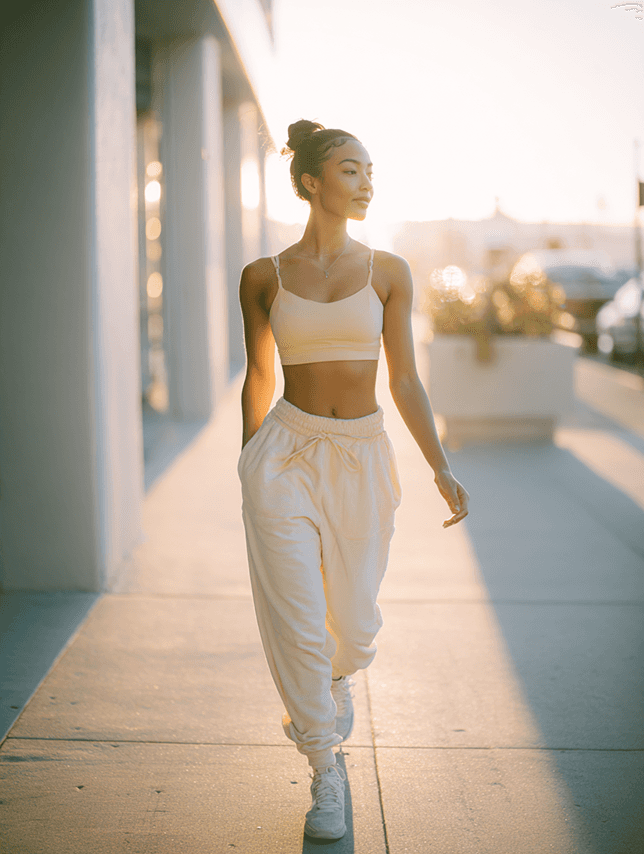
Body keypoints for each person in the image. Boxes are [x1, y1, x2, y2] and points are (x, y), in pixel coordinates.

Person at [237, 119, 469, 841]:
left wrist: (439, 464)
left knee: (355, 624)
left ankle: (334, 682)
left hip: (361, 455)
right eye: (350, 170)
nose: (366, 183)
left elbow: (404, 379)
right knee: (298, 622)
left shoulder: (389, 272)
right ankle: (323, 766)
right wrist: (248, 463)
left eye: (370, 171)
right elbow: (259, 372)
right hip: (284, 455)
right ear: (311, 182)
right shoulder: (263, 277)